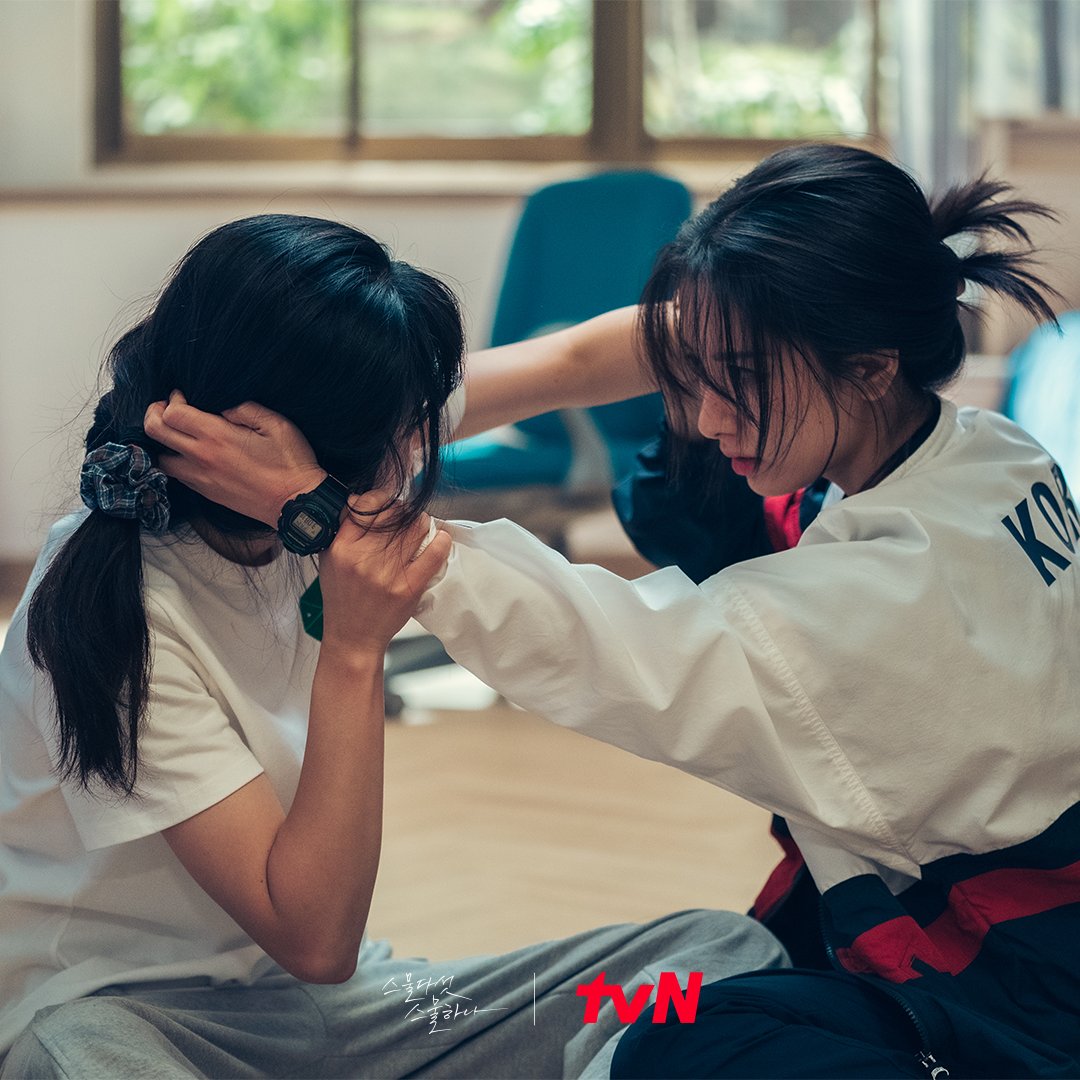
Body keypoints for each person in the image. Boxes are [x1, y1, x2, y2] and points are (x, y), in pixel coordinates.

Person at [146, 144, 1080, 1078]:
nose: (708, 417)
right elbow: (582, 356)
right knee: (703, 991)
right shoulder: (992, 453)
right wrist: (355, 443)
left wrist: (321, 511)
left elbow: (600, 646)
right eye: (694, 372)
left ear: (871, 367)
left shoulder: (879, 594)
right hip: (176, 1016)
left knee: (687, 1017)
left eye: (740, 377)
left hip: (1010, 975)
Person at [0, 214, 787, 1079]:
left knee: (716, 960)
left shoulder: (327, 465)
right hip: (119, 1018)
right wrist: (353, 648)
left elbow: (574, 362)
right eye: (405, 434)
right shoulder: (122, 615)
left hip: (354, 1017)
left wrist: (782, 316)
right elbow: (315, 936)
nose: (419, 448)